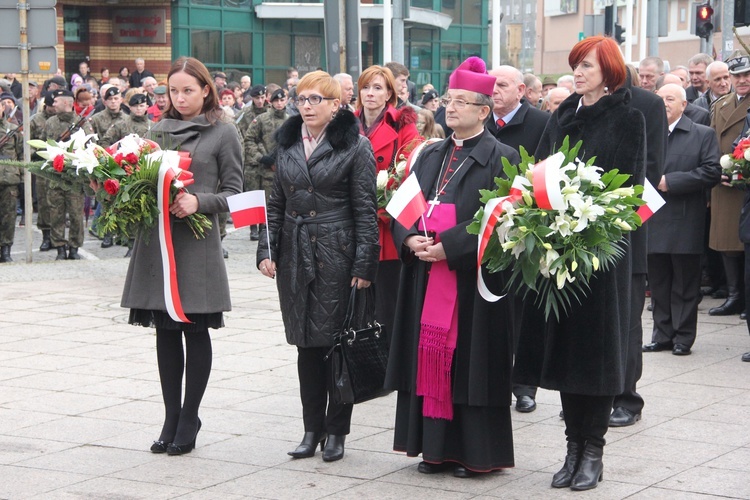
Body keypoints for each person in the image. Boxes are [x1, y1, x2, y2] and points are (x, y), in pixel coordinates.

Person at [515, 36, 646, 491]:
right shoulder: (562, 114)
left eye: (586, 65)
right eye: (575, 65)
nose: (578, 73)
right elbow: (541, 171)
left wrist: (585, 221)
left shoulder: (628, 118)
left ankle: (593, 451)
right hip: (558, 254)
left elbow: (629, 192)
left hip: (600, 257)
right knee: (568, 356)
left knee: (596, 356)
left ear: (608, 70)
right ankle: (571, 449)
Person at [385, 56, 519, 478]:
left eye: (462, 101)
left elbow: (505, 218)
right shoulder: (429, 154)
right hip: (425, 272)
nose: (451, 107)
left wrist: (452, 247)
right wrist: (408, 237)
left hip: (470, 279)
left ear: (484, 111)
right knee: (429, 354)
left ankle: (474, 454)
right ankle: (435, 449)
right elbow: (402, 204)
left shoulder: (504, 157)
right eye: (448, 99)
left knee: (470, 362)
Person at [119, 56, 242, 455]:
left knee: (194, 329)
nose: (180, 97)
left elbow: (236, 194)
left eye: (188, 89)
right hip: (157, 243)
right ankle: (171, 416)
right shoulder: (156, 130)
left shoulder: (224, 132)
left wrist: (198, 201)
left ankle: (190, 416)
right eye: (174, 90)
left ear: (206, 89)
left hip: (196, 244)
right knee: (165, 333)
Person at [256, 70, 379, 462]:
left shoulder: (355, 147)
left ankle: (337, 431)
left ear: (335, 105)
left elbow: (365, 210)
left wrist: (364, 263)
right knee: (305, 344)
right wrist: (267, 249)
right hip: (294, 252)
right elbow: (275, 203)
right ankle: (311, 429)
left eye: (315, 100)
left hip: (337, 252)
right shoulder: (289, 143)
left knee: (336, 342)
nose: (306, 107)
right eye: (301, 99)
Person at [643, 84, 720, 355]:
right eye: (660, 98)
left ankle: (683, 338)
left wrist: (670, 182)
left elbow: (711, 171)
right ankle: (661, 335)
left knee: (686, 285)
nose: (664, 103)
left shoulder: (702, 134)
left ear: (684, 105)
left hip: (685, 220)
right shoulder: (650, 135)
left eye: (670, 98)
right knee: (659, 285)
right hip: (652, 219)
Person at [354, 65, 420, 336]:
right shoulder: (346, 123)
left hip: (386, 225)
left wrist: (384, 200)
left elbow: (413, 169)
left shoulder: (402, 123)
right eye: (366, 87)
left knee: (387, 307)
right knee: (356, 307)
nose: (370, 93)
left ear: (389, 93)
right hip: (353, 227)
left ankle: (390, 370)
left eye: (378, 88)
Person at [706, 51, 750, 317]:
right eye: (738, 76)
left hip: (743, 185)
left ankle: (744, 297)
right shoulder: (721, 104)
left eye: (746, 75)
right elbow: (710, 139)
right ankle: (734, 295)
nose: (742, 80)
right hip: (721, 181)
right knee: (725, 242)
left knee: (743, 243)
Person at [42, 89, 95, 260]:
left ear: (66, 102)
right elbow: (43, 146)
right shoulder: (50, 122)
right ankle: (59, 248)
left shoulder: (82, 123)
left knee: (75, 214)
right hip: (55, 176)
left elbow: (91, 145)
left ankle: (74, 248)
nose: (53, 104)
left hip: (74, 177)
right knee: (56, 213)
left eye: (56, 101)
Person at [243, 87, 289, 240]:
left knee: (271, 200)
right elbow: (249, 139)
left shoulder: (289, 121)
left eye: (282, 100)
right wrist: (260, 157)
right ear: (272, 102)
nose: (279, 104)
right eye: (276, 101)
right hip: (259, 164)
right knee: (254, 197)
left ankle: (266, 228)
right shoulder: (263, 119)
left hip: (277, 167)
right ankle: (253, 228)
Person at [0, 101, 22, 262]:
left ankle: (6, 249)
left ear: (2, 108)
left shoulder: (12, 130)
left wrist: (21, 176)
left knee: (9, 216)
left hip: (9, 179)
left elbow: (21, 154)